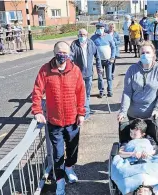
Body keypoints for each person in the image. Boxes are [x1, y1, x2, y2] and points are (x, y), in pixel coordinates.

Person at [32, 41, 85, 195]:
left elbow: (81, 93)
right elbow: (37, 91)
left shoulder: (75, 70)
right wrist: (37, 111)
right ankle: (60, 182)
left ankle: (69, 168)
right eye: (59, 52)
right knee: (57, 154)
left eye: (65, 52)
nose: (62, 55)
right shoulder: (45, 70)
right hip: (54, 121)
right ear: (54, 52)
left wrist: (81, 113)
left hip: (72, 120)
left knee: (73, 149)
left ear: (69, 54)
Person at [118, 41, 158, 129]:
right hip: (134, 114)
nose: (145, 55)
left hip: (152, 115)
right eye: (142, 53)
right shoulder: (132, 70)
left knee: (151, 140)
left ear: (153, 54)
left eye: (148, 52)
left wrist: (157, 109)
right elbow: (127, 92)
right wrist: (123, 111)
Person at [70, 29, 101, 120]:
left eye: (84, 35)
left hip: (89, 74)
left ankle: (85, 112)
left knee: (87, 94)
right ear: (78, 35)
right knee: (80, 94)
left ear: (87, 35)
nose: (82, 36)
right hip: (78, 75)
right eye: (80, 34)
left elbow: (97, 56)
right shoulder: (74, 44)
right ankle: (81, 112)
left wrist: (99, 68)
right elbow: (71, 57)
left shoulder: (91, 43)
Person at [91, 23, 116, 98]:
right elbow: (91, 49)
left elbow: (113, 47)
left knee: (109, 77)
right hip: (99, 62)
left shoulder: (108, 37)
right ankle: (101, 91)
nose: (100, 30)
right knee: (100, 77)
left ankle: (110, 91)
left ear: (104, 29)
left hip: (108, 61)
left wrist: (112, 57)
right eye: (98, 28)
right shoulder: (93, 38)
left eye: (101, 28)